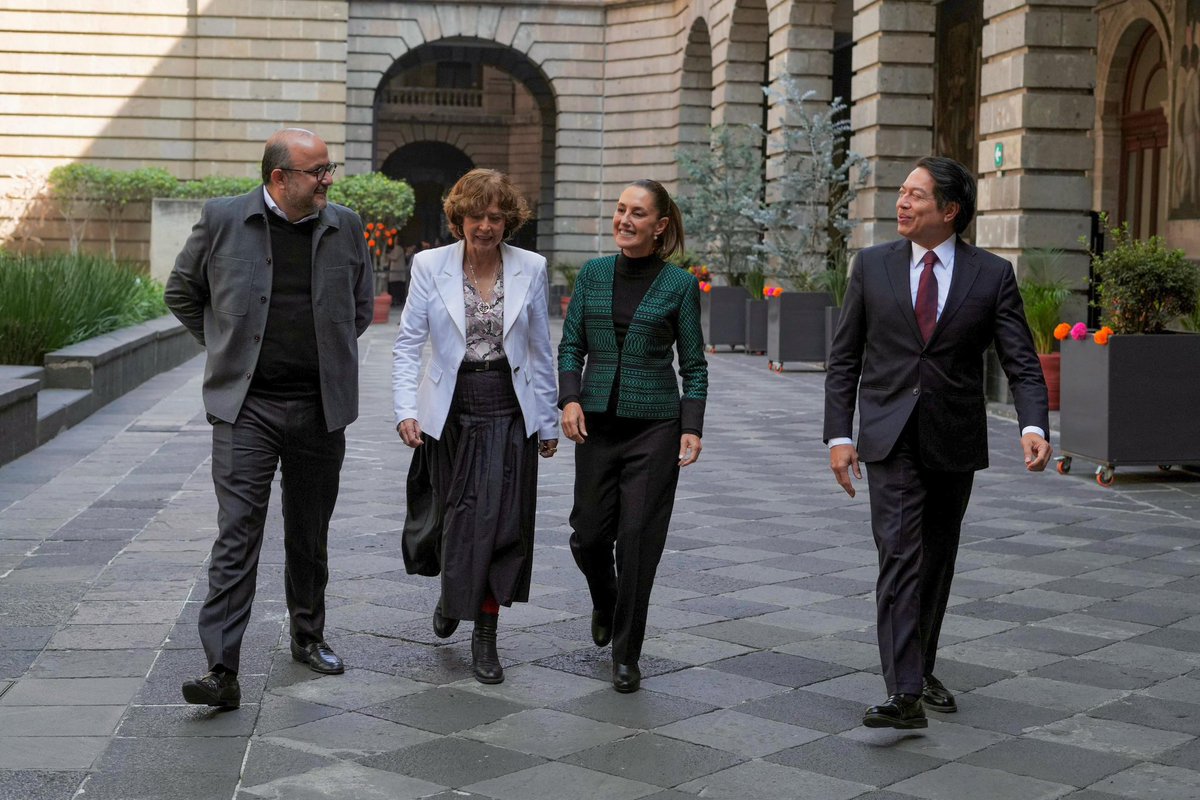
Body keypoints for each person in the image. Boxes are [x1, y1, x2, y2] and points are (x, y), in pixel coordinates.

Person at [824, 156, 1051, 729]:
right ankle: (904, 694)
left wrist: (1033, 425)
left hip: (954, 437)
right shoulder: (871, 267)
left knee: (935, 561)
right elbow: (844, 358)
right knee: (898, 554)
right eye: (901, 193)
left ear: (949, 211)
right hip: (887, 436)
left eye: (916, 196)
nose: (901, 203)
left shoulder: (992, 274)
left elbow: (1021, 362)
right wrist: (838, 434)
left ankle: (920, 667)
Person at [165, 128, 373, 709]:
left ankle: (308, 635)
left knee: (309, 532)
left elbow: (360, 307)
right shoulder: (224, 219)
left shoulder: (346, 226)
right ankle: (221, 669)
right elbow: (182, 291)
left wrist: (323, 357)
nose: (328, 180)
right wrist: (228, 348)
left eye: (329, 168)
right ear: (279, 177)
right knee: (238, 533)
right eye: (317, 172)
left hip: (319, 408)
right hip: (246, 409)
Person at [392, 168, 558, 685]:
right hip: (451, 408)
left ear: (509, 220)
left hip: (508, 408)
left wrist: (548, 420)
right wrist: (406, 409)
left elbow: (538, 347)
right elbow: (407, 344)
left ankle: (484, 633)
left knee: (502, 524)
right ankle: (450, 594)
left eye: (495, 216)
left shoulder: (531, 266)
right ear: (458, 216)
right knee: (454, 517)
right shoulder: (429, 264)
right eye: (476, 215)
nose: (485, 226)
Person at [559, 179, 708, 694]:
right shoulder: (594, 274)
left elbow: (694, 365)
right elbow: (570, 344)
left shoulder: (680, 285)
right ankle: (605, 597)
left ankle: (627, 654)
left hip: (655, 427)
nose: (625, 219)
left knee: (638, 541)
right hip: (596, 423)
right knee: (589, 534)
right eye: (621, 210)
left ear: (659, 226)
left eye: (637, 213)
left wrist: (692, 427)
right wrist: (570, 398)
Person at [387, 242, 411, 306]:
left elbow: (394, 257)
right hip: (396, 273)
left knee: (396, 288)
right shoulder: (398, 248)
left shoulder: (398, 248)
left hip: (397, 273)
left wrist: (387, 255)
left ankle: (396, 301)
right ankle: (397, 300)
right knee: (397, 287)